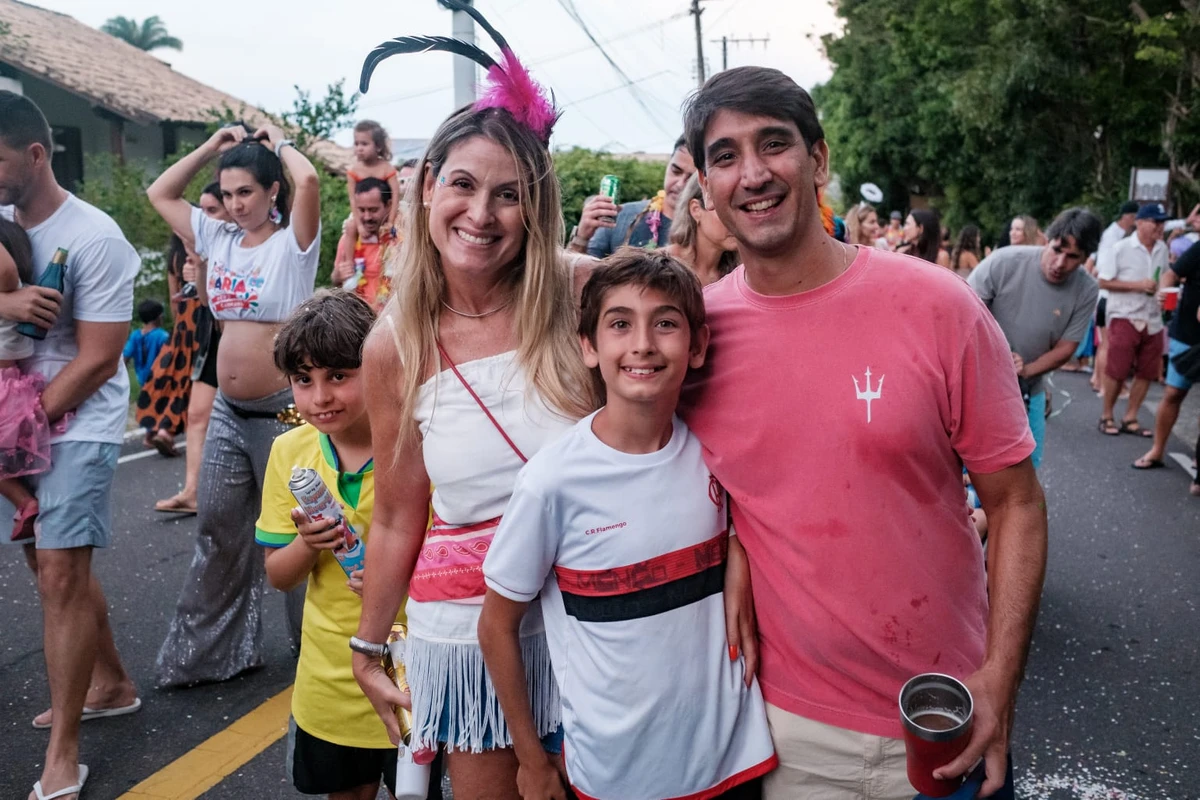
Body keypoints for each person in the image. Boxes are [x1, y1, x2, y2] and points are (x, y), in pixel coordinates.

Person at [679, 66, 1045, 799]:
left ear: (817, 159)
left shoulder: (939, 306)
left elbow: (1015, 504)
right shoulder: (693, 340)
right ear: (706, 188)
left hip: (946, 712)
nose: (753, 173)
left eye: (773, 144)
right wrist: (739, 543)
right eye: (725, 156)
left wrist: (1000, 678)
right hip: (784, 734)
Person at [349, 9, 615, 797]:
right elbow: (398, 512)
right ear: (428, 185)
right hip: (470, 643)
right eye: (463, 184)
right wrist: (367, 649)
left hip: (605, 621)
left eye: (508, 194)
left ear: (534, 207)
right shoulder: (393, 345)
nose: (481, 214)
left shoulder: (585, 293)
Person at [479, 250, 776, 800]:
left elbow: (757, 517)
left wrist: (735, 547)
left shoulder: (718, 452)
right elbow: (496, 627)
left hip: (735, 760)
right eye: (620, 324)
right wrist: (531, 760)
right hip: (615, 773)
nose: (642, 344)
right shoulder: (551, 482)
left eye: (665, 323)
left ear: (698, 346)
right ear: (589, 347)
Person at [0, 91, 140, 800]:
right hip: (14, 415)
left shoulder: (95, 236)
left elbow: (98, 358)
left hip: (78, 417)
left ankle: (63, 755)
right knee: (48, 563)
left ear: (35, 154)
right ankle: (111, 684)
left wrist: (17, 432)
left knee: (59, 569)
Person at [147, 122, 321, 687]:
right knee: (218, 531)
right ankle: (214, 655)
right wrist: (210, 148)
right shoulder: (217, 237)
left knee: (297, 534)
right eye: (227, 194)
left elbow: (310, 180)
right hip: (228, 410)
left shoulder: (293, 244)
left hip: (285, 413)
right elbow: (160, 193)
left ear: (272, 191)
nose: (236, 203)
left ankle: (315, 654)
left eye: (246, 191)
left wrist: (281, 143)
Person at [256, 290, 405, 800]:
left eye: (339, 375)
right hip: (329, 679)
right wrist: (308, 544)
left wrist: (398, 579)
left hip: (414, 666)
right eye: (304, 380)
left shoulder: (416, 443)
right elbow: (279, 575)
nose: (320, 397)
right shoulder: (289, 452)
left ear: (379, 365)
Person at [968, 208, 1102, 468]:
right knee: (965, 472)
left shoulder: (1087, 288)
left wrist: (1025, 369)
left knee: (1023, 474)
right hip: (976, 386)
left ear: (1086, 257)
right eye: (1056, 250)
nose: (1060, 263)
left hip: (1029, 390)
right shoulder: (1004, 261)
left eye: (1073, 257)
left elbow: (1067, 347)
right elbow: (962, 312)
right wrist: (997, 355)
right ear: (1045, 240)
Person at [155, 186, 228, 514]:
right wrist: (199, 269)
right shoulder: (194, 249)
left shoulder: (247, 241)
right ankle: (192, 491)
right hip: (209, 336)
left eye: (212, 210)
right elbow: (202, 299)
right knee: (197, 415)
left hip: (244, 343)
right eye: (203, 211)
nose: (203, 218)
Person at [0, 218, 60, 542]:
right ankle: (25, 503)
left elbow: (5, 270)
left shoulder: (11, 292)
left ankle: (25, 503)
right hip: (12, 386)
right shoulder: (17, 297)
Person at [1134, 204, 1200, 482]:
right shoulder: (1198, 249)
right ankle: (1157, 450)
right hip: (1187, 333)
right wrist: (1164, 291)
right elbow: (1171, 273)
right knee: (1173, 393)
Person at [1096, 203, 1169, 438]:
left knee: (1148, 371)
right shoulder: (1121, 248)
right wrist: (1138, 285)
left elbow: (1164, 276)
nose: (1160, 227)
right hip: (1124, 314)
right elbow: (1103, 281)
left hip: (1152, 317)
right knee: (1118, 368)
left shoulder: (1162, 248)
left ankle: (1131, 416)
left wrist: (1163, 292)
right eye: (1155, 222)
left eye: (1162, 222)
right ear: (1139, 222)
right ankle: (1107, 415)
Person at [135, 236, 204, 459]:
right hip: (202, 320)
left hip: (183, 323)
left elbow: (174, 298)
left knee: (173, 377)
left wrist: (178, 328)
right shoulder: (202, 250)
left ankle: (157, 428)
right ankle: (167, 430)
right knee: (194, 381)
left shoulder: (175, 256)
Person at [569, 136, 696, 257]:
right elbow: (578, 269)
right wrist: (581, 238)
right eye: (676, 171)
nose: (680, 184)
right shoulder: (620, 217)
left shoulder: (704, 233)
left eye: (691, 179)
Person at [1088, 201, 1140, 391]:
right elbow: (1103, 272)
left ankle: (1098, 380)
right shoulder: (1113, 239)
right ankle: (1104, 385)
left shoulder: (1114, 237)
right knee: (1108, 345)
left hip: (1104, 298)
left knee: (1104, 344)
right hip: (1108, 299)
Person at [664, 172, 739, 286]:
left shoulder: (739, 273)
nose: (736, 221)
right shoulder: (662, 266)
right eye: (723, 209)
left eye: (742, 208)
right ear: (696, 210)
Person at [332, 177, 396, 311]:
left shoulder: (400, 241)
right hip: (356, 317)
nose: (367, 217)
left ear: (389, 205)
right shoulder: (348, 240)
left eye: (373, 210)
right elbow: (335, 282)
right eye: (361, 210)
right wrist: (338, 276)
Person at [348, 120, 400, 231]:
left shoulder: (387, 169)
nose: (359, 148)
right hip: (362, 216)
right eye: (356, 144)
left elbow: (396, 196)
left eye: (364, 144)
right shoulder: (354, 171)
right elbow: (352, 200)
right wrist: (359, 226)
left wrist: (390, 221)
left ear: (378, 146)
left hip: (387, 213)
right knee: (350, 228)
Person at [123, 298, 169, 387]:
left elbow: (125, 357)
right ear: (158, 317)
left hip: (142, 381)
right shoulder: (162, 336)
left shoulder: (135, 335)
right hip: (161, 380)